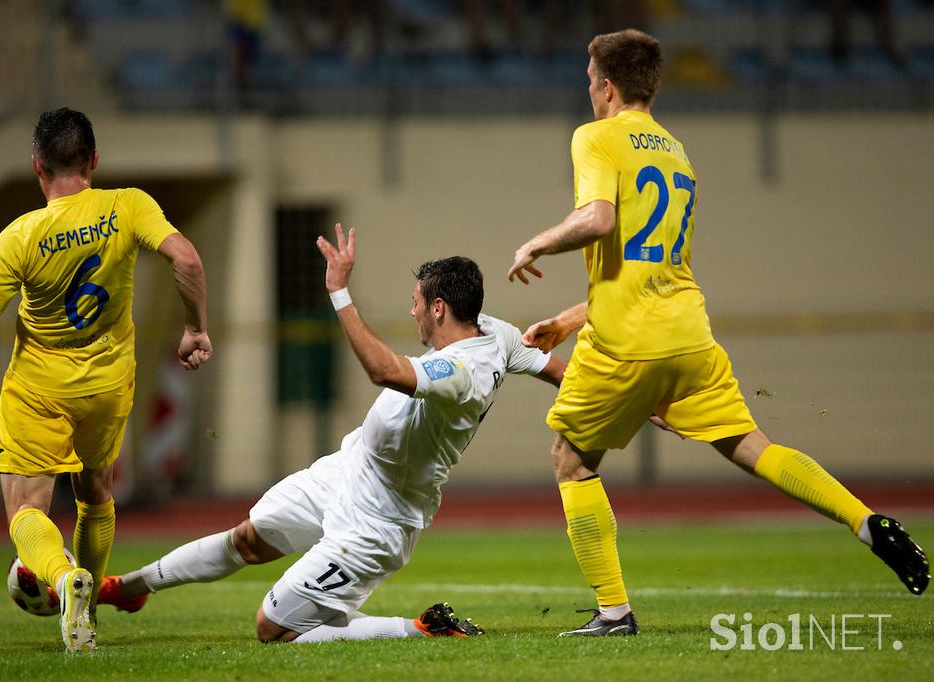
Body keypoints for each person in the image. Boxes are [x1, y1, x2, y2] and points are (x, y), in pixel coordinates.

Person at [506, 29, 929, 637]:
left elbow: (597, 220)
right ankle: (867, 522)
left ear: (606, 86)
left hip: (628, 344)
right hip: (689, 334)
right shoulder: (678, 154)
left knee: (572, 461)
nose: (589, 91)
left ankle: (613, 612)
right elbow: (652, 271)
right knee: (752, 446)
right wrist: (570, 320)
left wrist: (537, 241)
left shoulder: (594, 136)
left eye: (589, 80)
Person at [102, 224, 567, 643]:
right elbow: (555, 368)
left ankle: (421, 628)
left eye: (417, 302)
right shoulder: (497, 334)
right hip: (346, 472)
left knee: (274, 628)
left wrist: (339, 292)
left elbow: (383, 370)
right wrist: (624, 398)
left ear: (439, 307)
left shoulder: (463, 370)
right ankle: (129, 587)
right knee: (246, 539)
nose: (412, 311)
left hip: (378, 519)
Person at [0, 108, 212, 652]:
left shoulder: (21, 236)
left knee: (27, 510)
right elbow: (188, 260)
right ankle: (88, 612)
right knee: (96, 492)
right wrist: (195, 328)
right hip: (108, 384)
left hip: (40, 387)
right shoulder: (128, 205)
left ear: (37, 165)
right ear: (94, 161)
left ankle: (64, 582)